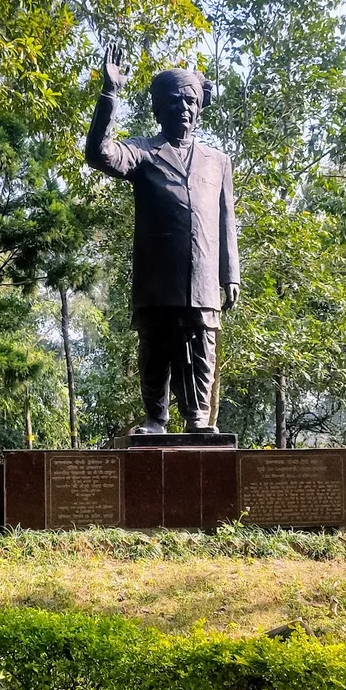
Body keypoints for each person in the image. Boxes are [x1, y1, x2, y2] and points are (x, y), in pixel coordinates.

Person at [85, 43, 240, 433]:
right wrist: (110, 93)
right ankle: (156, 419)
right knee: (155, 345)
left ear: (199, 108)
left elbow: (226, 219)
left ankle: (198, 418)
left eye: (190, 101)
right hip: (156, 275)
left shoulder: (218, 161)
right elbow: (99, 153)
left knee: (202, 345)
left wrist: (230, 275)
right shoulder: (143, 151)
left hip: (202, 274)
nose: (184, 108)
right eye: (174, 102)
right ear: (158, 109)